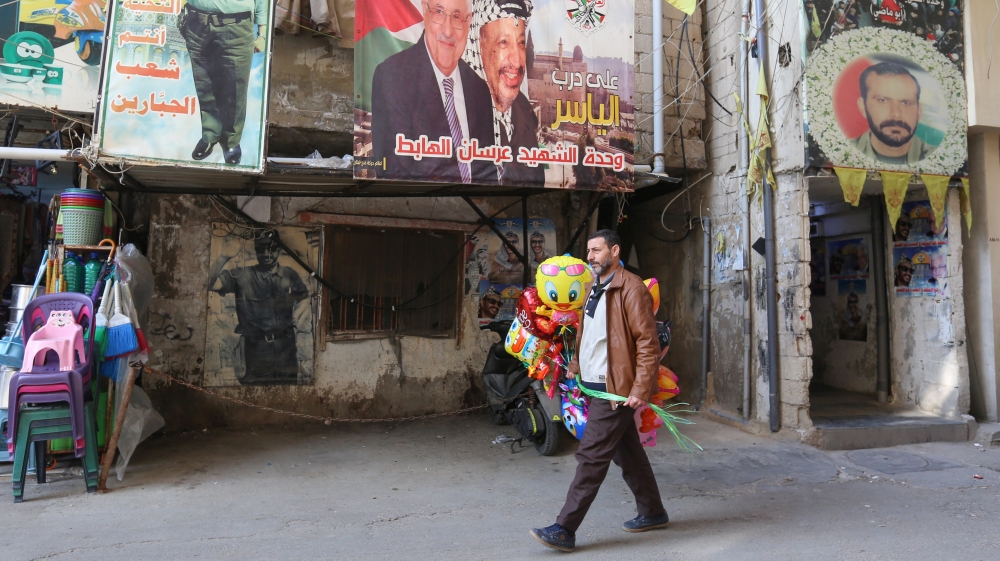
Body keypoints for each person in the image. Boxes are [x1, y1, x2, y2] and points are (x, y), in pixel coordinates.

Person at [531, 229, 665, 553]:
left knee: (591, 456)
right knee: (628, 453)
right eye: (588, 251)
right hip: (593, 385)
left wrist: (640, 388)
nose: (590, 256)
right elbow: (589, 334)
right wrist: (575, 364)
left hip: (616, 391)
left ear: (615, 251)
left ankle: (565, 528)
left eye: (596, 250)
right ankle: (653, 512)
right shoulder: (593, 287)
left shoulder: (631, 288)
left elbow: (648, 343)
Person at [370, 0, 496, 183]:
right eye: (438, 12)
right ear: (424, 10)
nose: (447, 31)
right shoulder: (392, 77)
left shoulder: (480, 90)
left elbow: (487, 170)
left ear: (469, 21)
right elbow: (393, 172)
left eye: (457, 17)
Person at [209, 232, 310, 385]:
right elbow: (211, 284)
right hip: (256, 354)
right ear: (255, 249)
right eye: (260, 249)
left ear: (280, 249)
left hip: (287, 352)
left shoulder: (289, 274)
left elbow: (304, 297)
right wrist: (223, 257)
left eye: (271, 248)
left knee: (288, 396)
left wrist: (296, 317)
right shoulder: (242, 275)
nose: (266, 253)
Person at [463, 0, 545, 186]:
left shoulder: (525, 113)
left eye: (521, 43)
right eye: (503, 42)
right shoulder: (455, 112)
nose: (516, 60)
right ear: (478, 44)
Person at [179, 0, 269, 165]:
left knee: (235, 87)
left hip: (236, 26)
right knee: (204, 83)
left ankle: (231, 141)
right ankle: (210, 134)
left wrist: (262, 33)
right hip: (197, 23)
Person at [851, 62, 934, 165]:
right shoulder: (844, 153)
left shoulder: (939, 160)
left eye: (906, 103)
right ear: (863, 106)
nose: (896, 114)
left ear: (919, 111)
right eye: (883, 100)